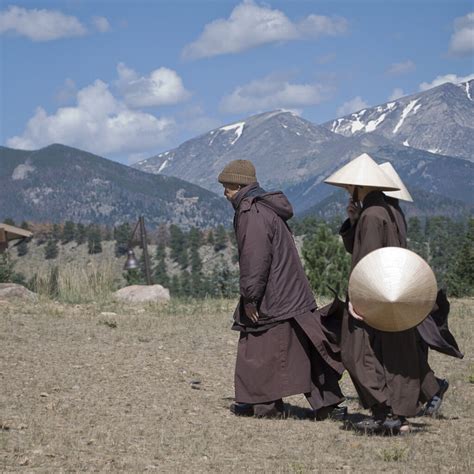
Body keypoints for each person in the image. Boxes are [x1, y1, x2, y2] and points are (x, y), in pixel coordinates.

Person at [218, 159, 345, 419]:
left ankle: (265, 405)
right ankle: (325, 404)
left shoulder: (251, 212)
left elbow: (255, 258)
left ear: (238, 184)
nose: (224, 193)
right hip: (289, 289)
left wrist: (251, 298)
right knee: (304, 345)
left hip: (274, 293)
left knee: (258, 346)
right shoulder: (264, 206)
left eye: (227, 187)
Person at [325, 153, 439, 434]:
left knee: (357, 353)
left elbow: (368, 260)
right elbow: (363, 249)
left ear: (357, 186)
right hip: (392, 292)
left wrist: (359, 299)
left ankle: (385, 410)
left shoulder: (373, 215)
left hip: (375, 294)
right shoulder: (386, 211)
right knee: (393, 354)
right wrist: (353, 220)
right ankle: (392, 415)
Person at [379, 162, 464, 416]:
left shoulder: (387, 215)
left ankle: (430, 388)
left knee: (399, 346)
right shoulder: (393, 213)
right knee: (404, 346)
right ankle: (430, 388)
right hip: (398, 287)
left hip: (394, 288)